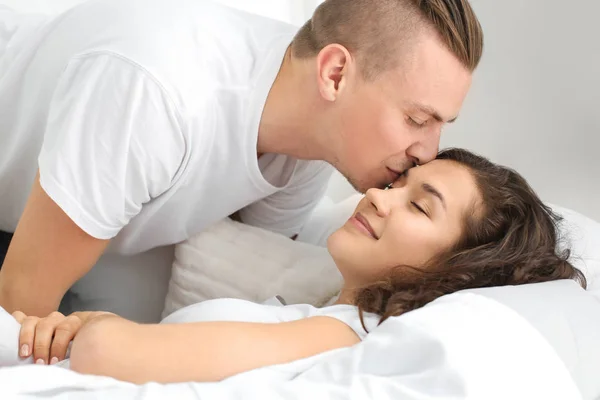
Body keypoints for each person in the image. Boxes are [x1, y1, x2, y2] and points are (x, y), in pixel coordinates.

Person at [0, 0, 483, 318]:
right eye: (418, 120)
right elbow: (21, 301)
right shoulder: (159, 94)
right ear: (335, 74)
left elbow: (241, 270)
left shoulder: (316, 139)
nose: (428, 153)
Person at [11, 149, 586, 383]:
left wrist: (92, 328)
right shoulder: (320, 317)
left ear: (459, 267)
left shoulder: (339, 335)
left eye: (417, 205)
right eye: (398, 182)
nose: (377, 196)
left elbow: (111, 356)